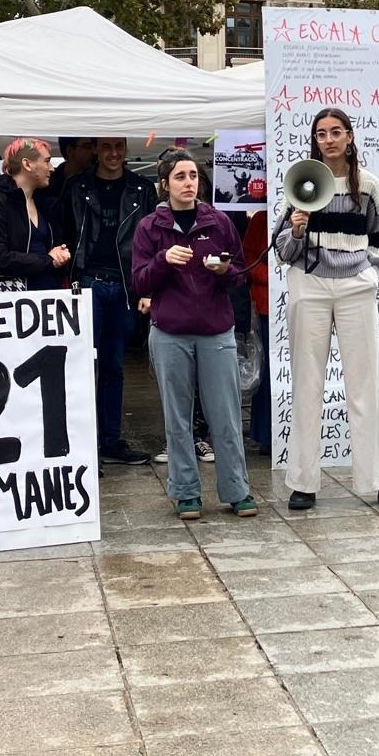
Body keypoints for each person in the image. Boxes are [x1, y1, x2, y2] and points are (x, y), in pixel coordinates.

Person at [275, 107, 379, 512]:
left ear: (349, 137)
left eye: (336, 132)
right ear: (314, 139)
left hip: (354, 285)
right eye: (321, 133)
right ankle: (303, 482)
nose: (329, 139)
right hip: (309, 283)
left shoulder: (367, 185)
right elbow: (282, 250)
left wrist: (368, 274)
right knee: (307, 382)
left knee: (367, 384)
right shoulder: (302, 183)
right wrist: (297, 228)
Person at [132, 149, 256, 520]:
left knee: (226, 415)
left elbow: (239, 274)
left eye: (193, 176)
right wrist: (161, 261)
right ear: (165, 184)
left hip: (216, 330)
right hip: (169, 332)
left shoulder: (218, 222)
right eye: (180, 177)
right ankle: (186, 493)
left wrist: (223, 271)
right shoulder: (149, 228)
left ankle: (237, 490)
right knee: (177, 417)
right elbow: (138, 281)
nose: (188, 183)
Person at [59, 136, 157, 466]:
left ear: (127, 150)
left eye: (119, 146)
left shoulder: (142, 189)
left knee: (114, 365)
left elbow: (151, 242)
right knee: (85, 365)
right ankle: (84, 443)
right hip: (88, 282)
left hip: (125, 285)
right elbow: (64, 232)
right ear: (96, 150)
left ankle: (111, 440)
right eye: (107, 146)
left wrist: (146, 288)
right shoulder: (76, 187)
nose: (114, 153)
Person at [0, 138, 71, 292]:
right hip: (10, 304)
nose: (52, 168)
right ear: (27, 164)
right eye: (47, 161)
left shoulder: (45, 204)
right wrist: (48, 259)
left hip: (46, 300)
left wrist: (59, 256)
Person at [242, 209, 273, 451]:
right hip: (266, 305)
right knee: (269, 371)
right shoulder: (261, 218)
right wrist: (273, 276)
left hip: (304, 300)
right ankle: (267, 434)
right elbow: (248, 259)